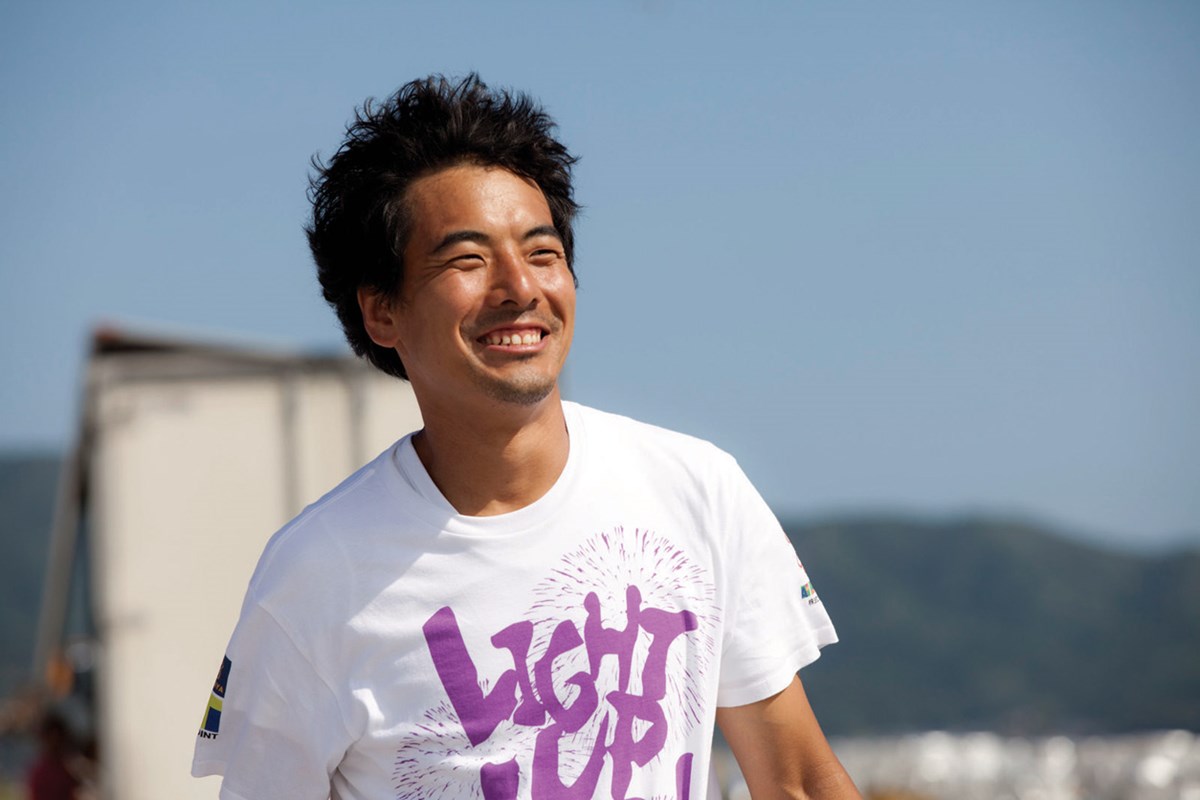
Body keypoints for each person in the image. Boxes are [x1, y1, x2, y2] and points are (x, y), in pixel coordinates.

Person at [192, 73, 861, 800]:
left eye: (543, 253)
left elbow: (798, 779)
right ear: (382, 311)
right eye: (468, 260)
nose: (520, 287)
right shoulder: (317, 575)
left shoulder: (698, 491)